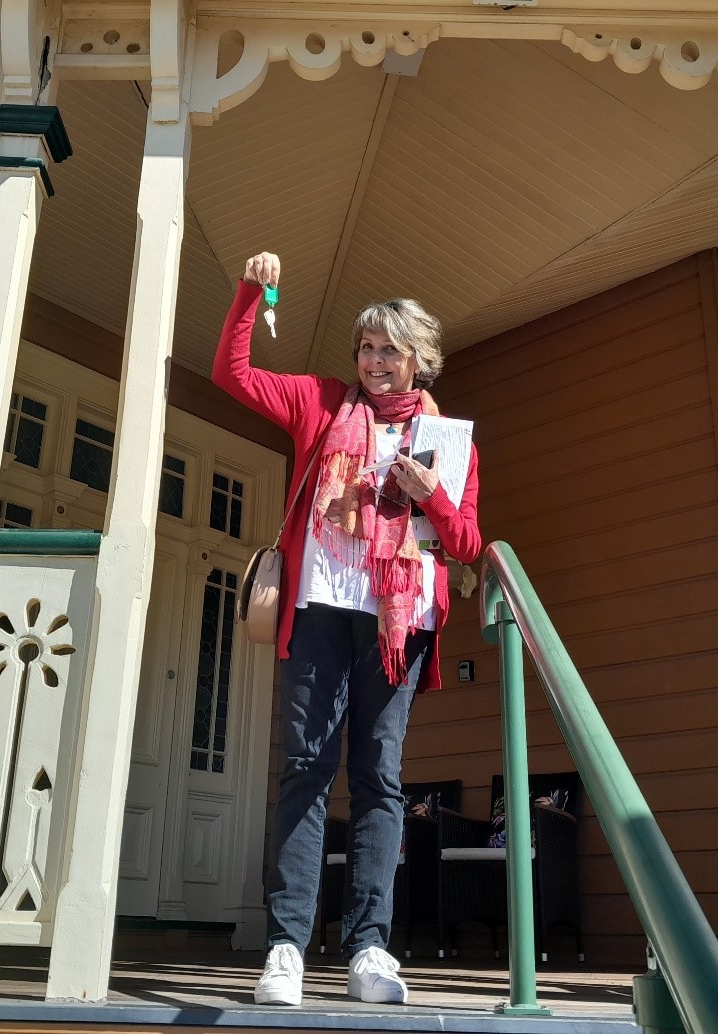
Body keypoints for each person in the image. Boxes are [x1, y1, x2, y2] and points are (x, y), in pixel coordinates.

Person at [213, 251, 482, 1007]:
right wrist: (251, 293)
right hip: (322, 608)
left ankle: (368, 948)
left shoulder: (447, 440)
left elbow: (464, 547)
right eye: (365, 348)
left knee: (377, 780)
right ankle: (286, 948)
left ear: (418, 360)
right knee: (305, 767)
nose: (373, 362)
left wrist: (432, 495)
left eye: (388, 350)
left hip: (401, 622)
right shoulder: (324, 405)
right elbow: (233, 375)